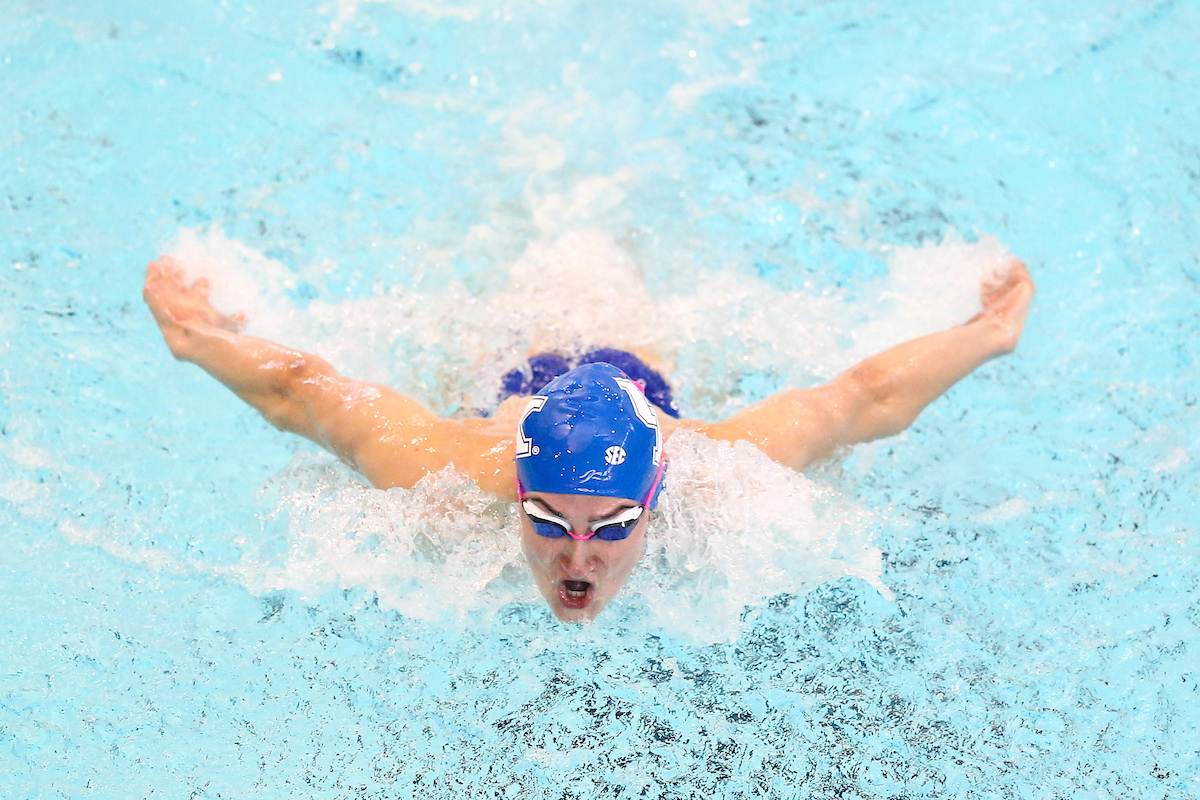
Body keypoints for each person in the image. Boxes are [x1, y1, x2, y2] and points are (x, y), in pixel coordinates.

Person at [143, 253, 1034, 622]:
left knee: (601, 265)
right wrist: (198, 341)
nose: (580, 557)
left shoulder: (721, 468)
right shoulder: (445, 467)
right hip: (519, 372)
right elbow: (303, 394)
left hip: (635, 361)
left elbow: (863, 398)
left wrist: (987, 335)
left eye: (612, 526)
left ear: (653, 497)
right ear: (515, 490)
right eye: (548, 519)